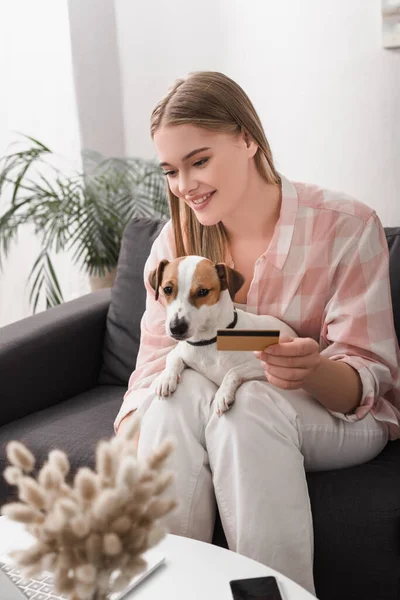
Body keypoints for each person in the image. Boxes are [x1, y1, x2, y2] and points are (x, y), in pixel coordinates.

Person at [114, 71, 400, 595]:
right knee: (173, 402)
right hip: (221, 400)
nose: (184, 185)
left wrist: (311, 369)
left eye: (198, 161)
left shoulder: (345, 225)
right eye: (171, 171)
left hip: (335, 410)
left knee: (249, 407)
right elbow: (155, 369)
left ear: (247, 139)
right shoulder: (174, 247)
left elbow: (369, 380)